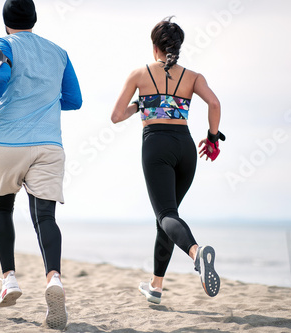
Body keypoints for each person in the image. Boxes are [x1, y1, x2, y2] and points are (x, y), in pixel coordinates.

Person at [0, 0, 82, 329]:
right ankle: (54, 279)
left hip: (9, 143)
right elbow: (74, 99)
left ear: (6, 22)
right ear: (34, 19)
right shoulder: (59, 52)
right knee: (45, 216)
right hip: (49, 145)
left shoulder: (0, 44)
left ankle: (9, 280)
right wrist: (43, 98)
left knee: (2, 209)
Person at [111, 16, 224, 304]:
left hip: (156, 146)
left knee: (166, 216)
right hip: (186, 148)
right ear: (178, 48)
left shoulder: (139, 74)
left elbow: (116, 116)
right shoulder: (193, 77)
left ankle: (197, 253)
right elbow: (214, 103)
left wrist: (142, 105)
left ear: (154, 48)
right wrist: (212, 138)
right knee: (167, 216)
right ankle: (156, 286)